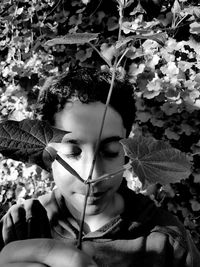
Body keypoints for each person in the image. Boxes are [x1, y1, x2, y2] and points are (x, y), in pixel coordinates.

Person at [0, 67, 200, 267]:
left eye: (111, 151)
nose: (92, 175)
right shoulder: (21, 224)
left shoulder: (168, 241)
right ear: (48, 152)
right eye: (72, 152)